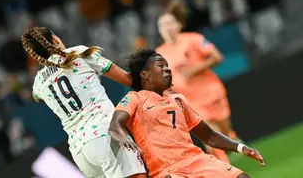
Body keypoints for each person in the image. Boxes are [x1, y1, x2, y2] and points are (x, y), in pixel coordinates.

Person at [109, 48, 265, 178]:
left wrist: (241, 148)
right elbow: (115, 124)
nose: (167, 69)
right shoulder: (134, 98)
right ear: (145, 74)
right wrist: (122, 136)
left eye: (167, 66)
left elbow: (209, 136)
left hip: (197, 160)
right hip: (168, 171)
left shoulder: (178, 100)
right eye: (160, 66)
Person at [21, 27, 146, 178]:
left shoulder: (39, 82)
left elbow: (36, 97)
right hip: (105, 134)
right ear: (55, 39)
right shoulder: (78, 54)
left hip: (81, 151)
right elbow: (127, 79)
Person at [155, 0, 239, 162]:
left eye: (169, 23)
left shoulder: (193, 39)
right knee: (212, 146)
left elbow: (217, 57)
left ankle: (229, 135)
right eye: (161, 25)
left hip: (211, 93)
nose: (166, 28)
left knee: (224, 136)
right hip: (191, 104)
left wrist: (193, 70)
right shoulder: (159, 54)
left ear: (179, 25)